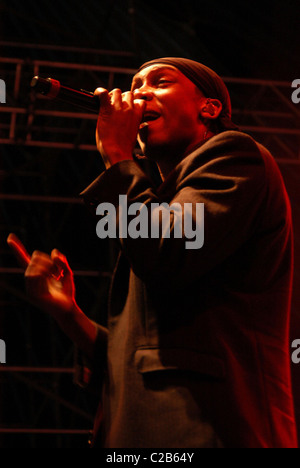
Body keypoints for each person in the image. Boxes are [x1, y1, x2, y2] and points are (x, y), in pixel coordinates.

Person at [22, 57, 298, 448]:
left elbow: (166, 254)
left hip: (213, 430)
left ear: (210, 107)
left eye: (159, 82)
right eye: (135, 86)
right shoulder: (158, 205)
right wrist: (69, 314)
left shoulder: (238, 157)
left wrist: (118, 155)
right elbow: (136, 356)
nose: (139, 94)